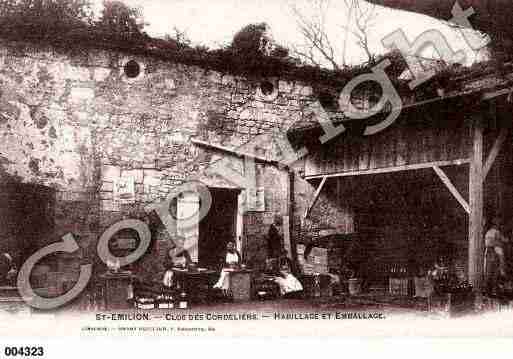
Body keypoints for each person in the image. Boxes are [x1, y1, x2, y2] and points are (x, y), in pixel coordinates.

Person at [484, 216, 509, 296]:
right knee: (492, 272)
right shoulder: (493, 232)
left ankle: (493, 290)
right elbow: (489, 243)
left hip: (493, 253)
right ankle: (489, 290)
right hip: (492, 252)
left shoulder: (494, 232)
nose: (499, 225)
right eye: (498, 223)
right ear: (495, 224)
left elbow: (504, 240)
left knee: (493, 272)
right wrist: (501, 242)